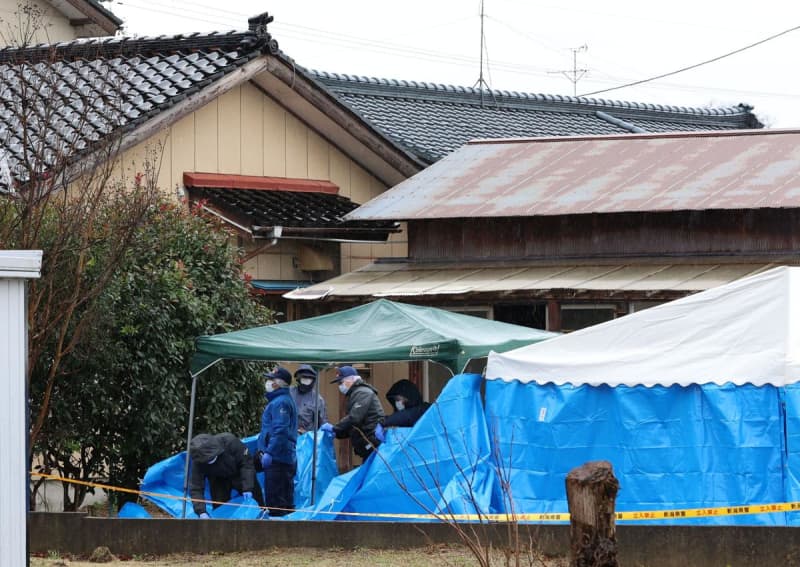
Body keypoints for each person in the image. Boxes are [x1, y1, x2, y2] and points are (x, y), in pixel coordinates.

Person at [188, 432, 263, 518]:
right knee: (220, 508)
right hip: (217, 480)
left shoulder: (230, 442)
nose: (209, 461)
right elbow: (196, 487)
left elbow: (246, 464)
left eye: (210, 459)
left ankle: (262, 517)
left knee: (256, 499)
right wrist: (201, 511)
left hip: (239, 473)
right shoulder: (198, 461)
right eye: (206, 461)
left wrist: (248, 487)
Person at [257, 366, 298, 517]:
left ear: (277, 384)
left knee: (277, 503)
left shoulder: (280, 403)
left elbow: (280, 431)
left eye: (270, 380)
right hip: (281, 457)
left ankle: (278, 536)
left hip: (278, 458)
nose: (267, 382)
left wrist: (269, 452)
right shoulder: (280, 401)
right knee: (283, 500)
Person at [320, 365, 384, 459]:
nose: (340, 386)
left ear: (350, 379)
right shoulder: (356, 393)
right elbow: (353, 426)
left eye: (340, 382)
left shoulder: (362, 393)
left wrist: (335, 428)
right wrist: (338, 433)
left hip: (372, 441)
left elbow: (354, 418)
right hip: (367, 442)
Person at [289, 364, 328, 433]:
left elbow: (322, 425)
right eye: (303, 379)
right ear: (298, 379)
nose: (305, 384)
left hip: (307, 440)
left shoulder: (318, 400)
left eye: (308, 380)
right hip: (286, 437)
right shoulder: (289, 393)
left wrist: (307, 433)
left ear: (313, 381)